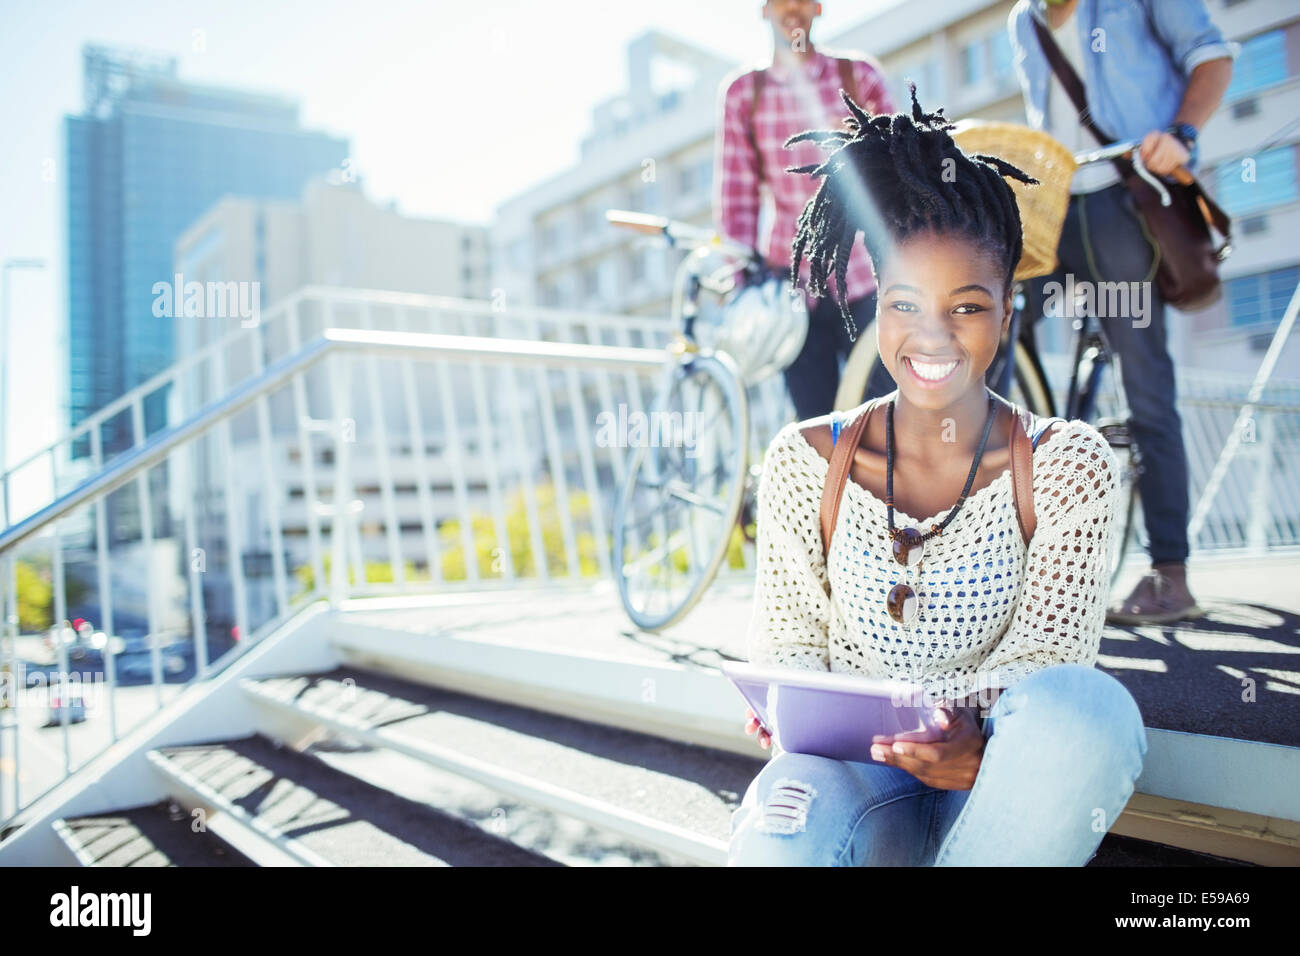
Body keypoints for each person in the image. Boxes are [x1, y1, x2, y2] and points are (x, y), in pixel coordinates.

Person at [728, 85, 1147, 866]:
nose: (933, 337)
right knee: (776, 838)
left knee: (1092, 712)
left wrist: (974, 742)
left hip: (999, 802)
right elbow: (786, 643)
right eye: (906, 304)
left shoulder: (1067, 464)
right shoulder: (802, 460)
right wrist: (787, 705)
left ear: (1007, 312)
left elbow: (1049, 668)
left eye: (966, 307)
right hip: (853, 785)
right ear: (878, 307)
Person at [1006, 0, 1238, 625]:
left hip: (1123, 196)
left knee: (1144, 376)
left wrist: (1182, 134)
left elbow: (1212, 58)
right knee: (995, 329)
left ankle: (1170, 573)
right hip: (1055, 207)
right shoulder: (1023, 21)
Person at [714, 0, 898, 420]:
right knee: (816, 431)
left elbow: (899, 174)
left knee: (887, 423)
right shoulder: (744, 94)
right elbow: (737, 196)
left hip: (868, 279)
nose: (792, 8)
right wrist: (745, 284)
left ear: (818, 7)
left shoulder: (859, 76)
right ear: (764, 9)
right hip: (794, 290)